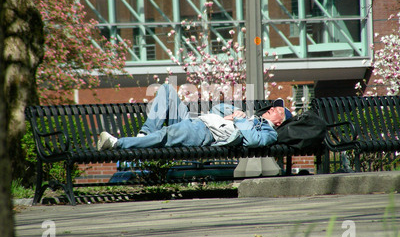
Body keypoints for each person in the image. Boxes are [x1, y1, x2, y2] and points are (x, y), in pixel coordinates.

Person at [97, 83, 292, 151]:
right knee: (166, 89)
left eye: (277, 110)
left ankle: (117, 144)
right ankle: (143, 135)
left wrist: (240, 120)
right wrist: (232, 114)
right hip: (198, 121)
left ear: (278, 122)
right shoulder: (250, 117)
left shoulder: (268, 132)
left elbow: (254, 141)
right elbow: (218, 110)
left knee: (167, 134)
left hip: (204, 132)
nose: (272, 108)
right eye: (274, 107)